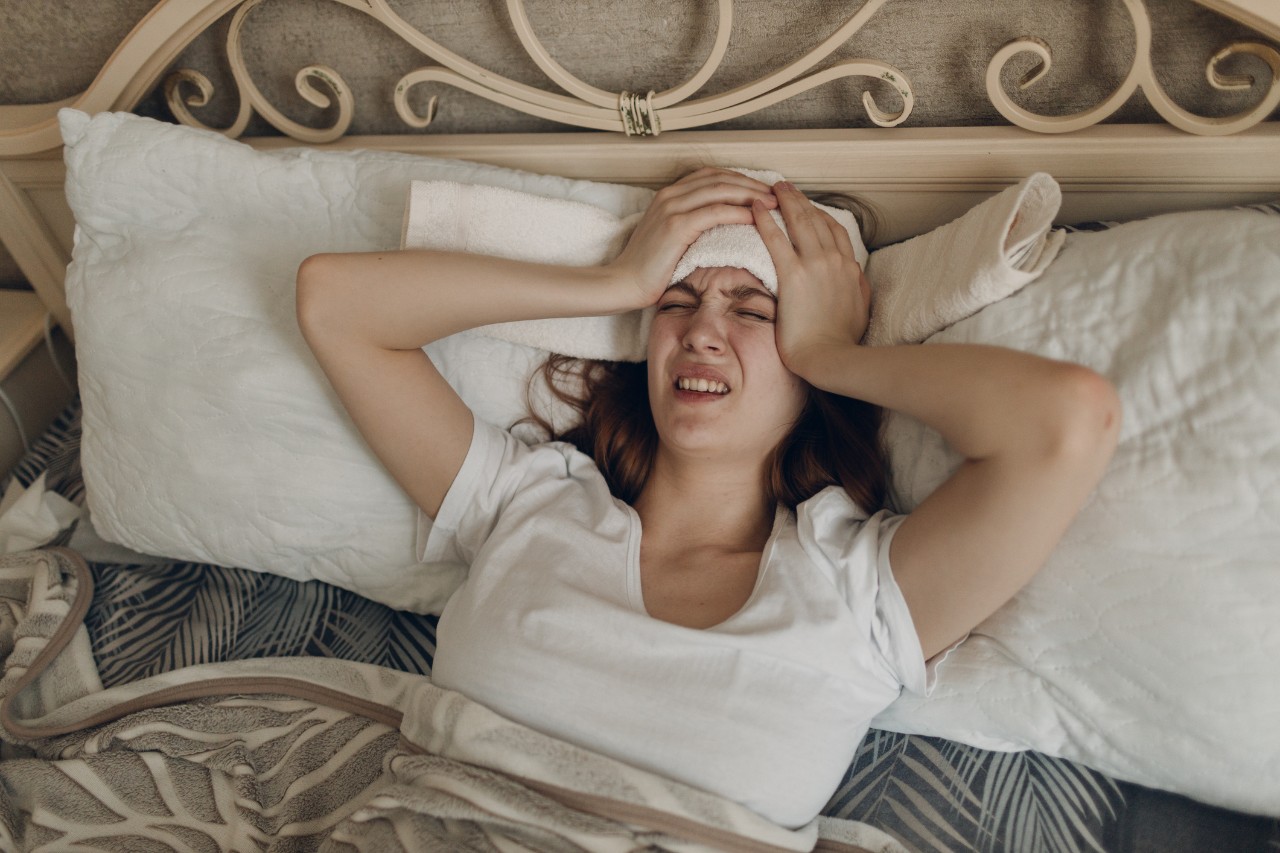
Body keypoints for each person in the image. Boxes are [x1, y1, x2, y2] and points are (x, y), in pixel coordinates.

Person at [294, 167, 1121, 828]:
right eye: (678, 303)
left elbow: (1066, 421)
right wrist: (619, 281)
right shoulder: (527, 502)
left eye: (754, 310)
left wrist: (831, 350)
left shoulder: (857, 591)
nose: (700, 331)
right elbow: (335, 300)